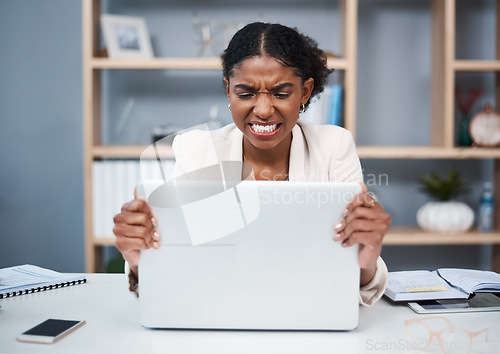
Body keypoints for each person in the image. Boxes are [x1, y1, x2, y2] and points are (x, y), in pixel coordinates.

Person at [113, 22, 391, 306]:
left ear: (305, 92)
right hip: (218, 308)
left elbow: (354, 284)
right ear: (228, 90)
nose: (263, 111)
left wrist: (366, 260)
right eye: (245, 93)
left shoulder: (334, 147)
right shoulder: (196, 150)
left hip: (307, 307)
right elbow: (175, 271)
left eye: (281, 93)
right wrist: (139, 262)